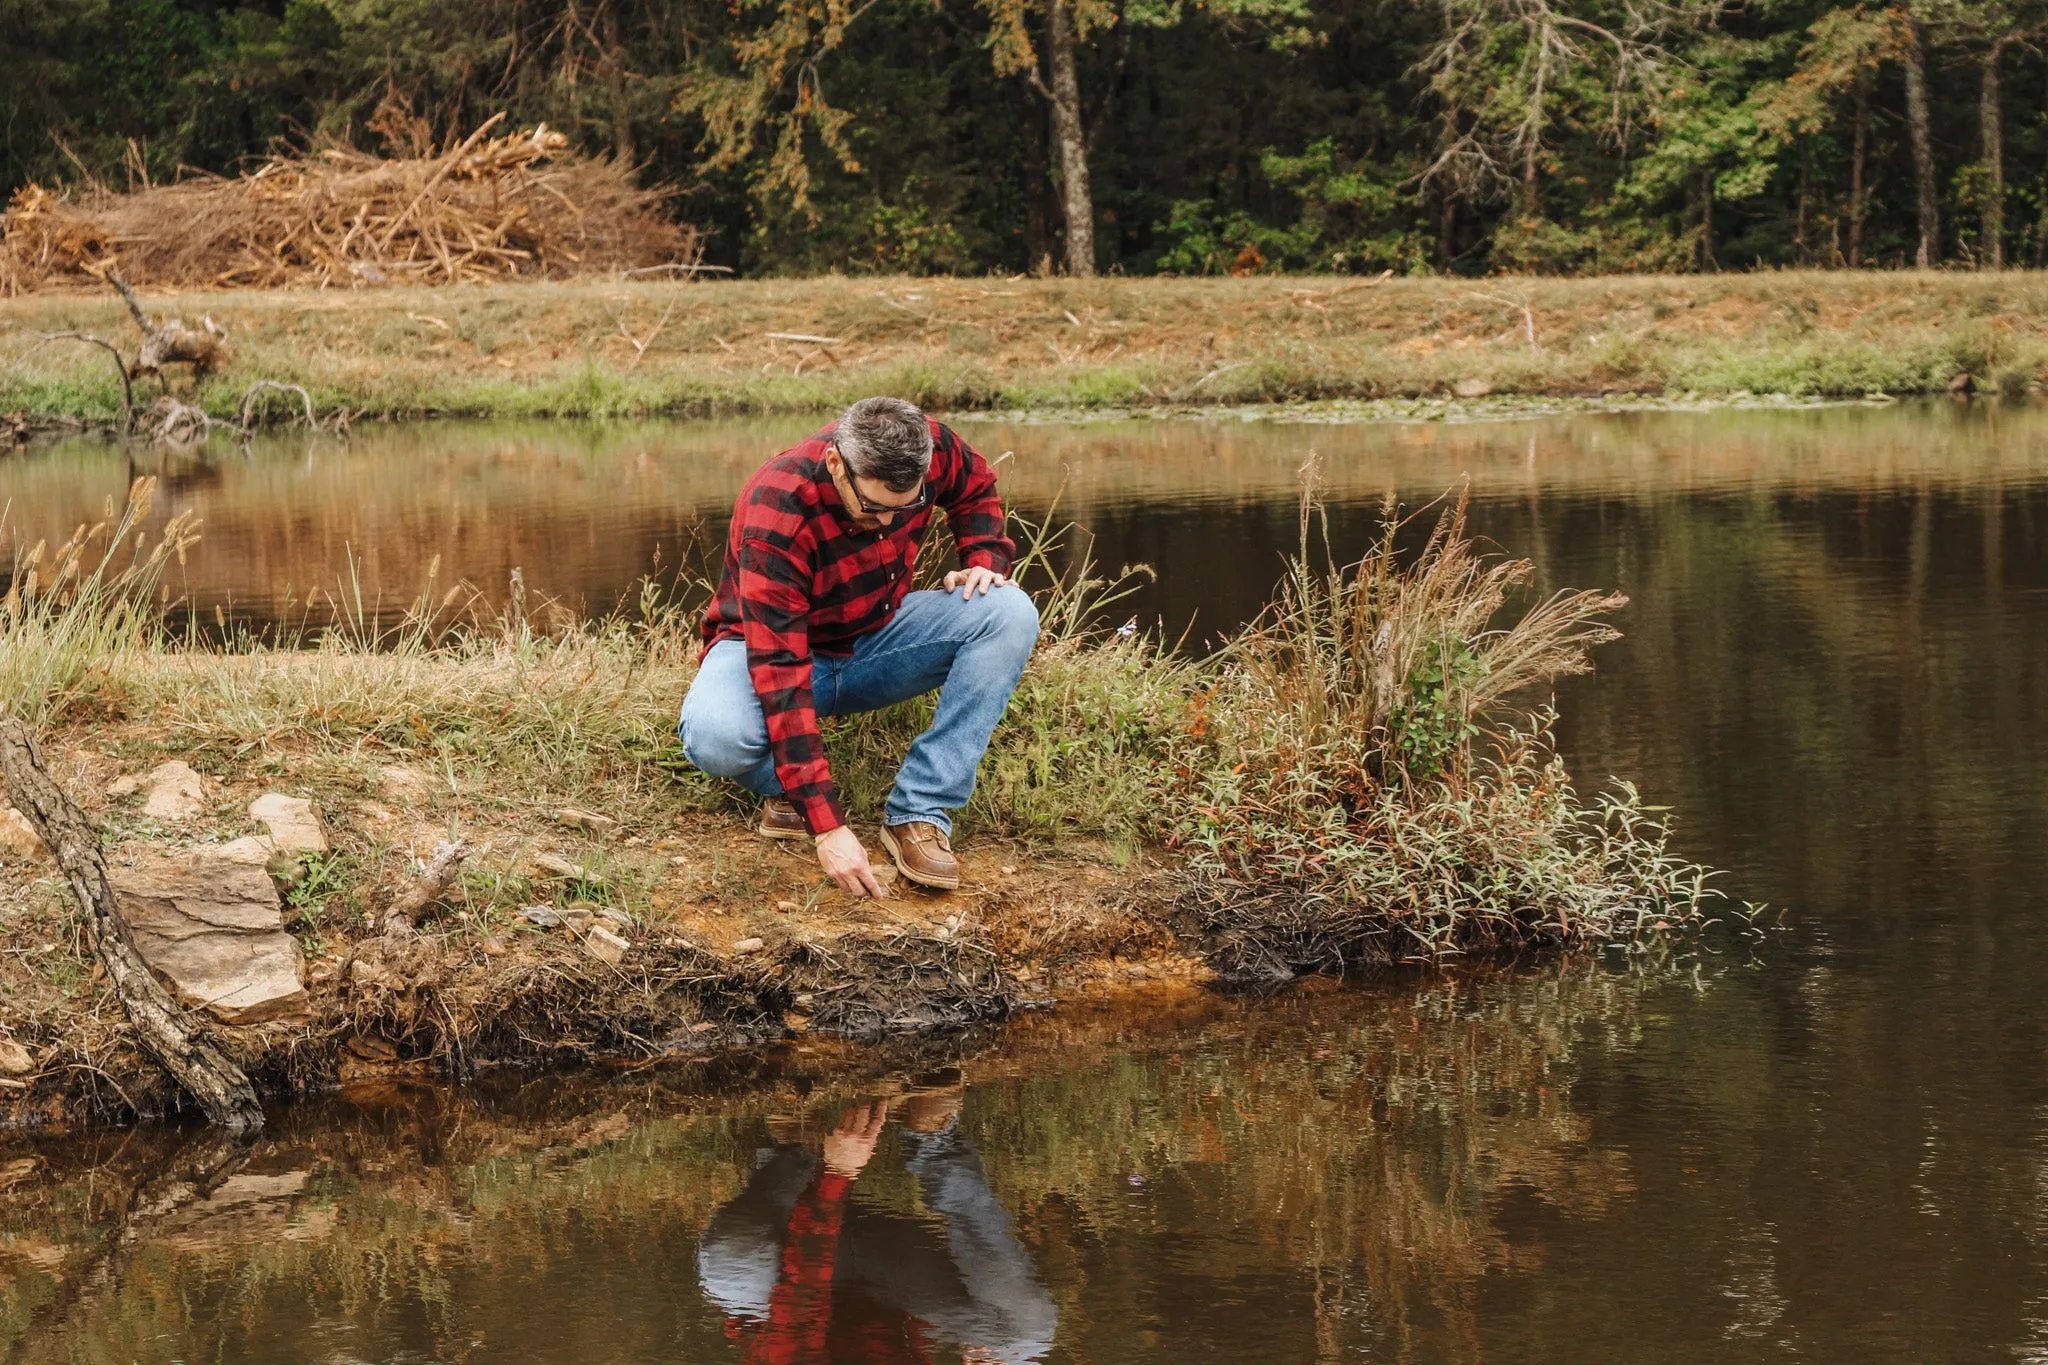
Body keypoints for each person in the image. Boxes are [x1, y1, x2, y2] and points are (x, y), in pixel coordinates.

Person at [680, 397, 1039, 897]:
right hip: (765, 648)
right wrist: (827, 828)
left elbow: (975, 486)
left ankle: (920, 810)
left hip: (876, 637)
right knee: (715, 737)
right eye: (873, 508)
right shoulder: (778, 507)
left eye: (906, 507)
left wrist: (984, 558)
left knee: (1009, 612)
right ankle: (789, 789)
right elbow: (780, 668)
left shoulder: (929, 444)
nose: (889, 523)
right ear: (836, 464)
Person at [697, 1090, 1059, 1364]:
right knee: (1021, 1338)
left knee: (734, 1261)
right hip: (873, 1282)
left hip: (784, 1288)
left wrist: (836, 1175)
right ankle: (931, 1137)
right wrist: (977, 1338)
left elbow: (800, 1298)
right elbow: (903, 1338)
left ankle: (793, 1145)